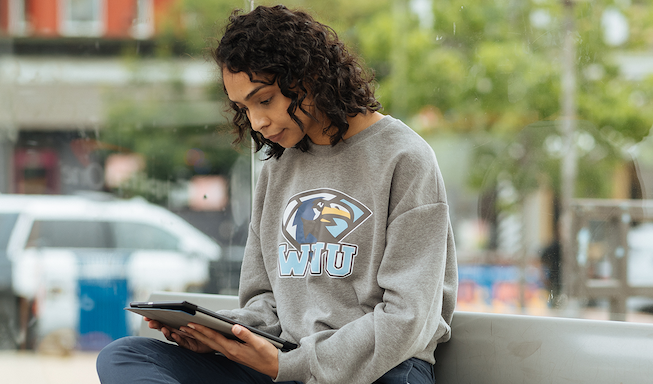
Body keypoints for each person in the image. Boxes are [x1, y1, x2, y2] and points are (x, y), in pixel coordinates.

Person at [96, 5, 458, 384]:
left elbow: (407, 318)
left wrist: (291, 366)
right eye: (244, 107)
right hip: (285, 363)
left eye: (264, 100)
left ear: (311, 75)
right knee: (125, 356)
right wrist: (222, 336)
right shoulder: (278, 168)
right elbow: (264, 300)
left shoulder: (404, 158)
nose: (257, 122)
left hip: (382, 369)